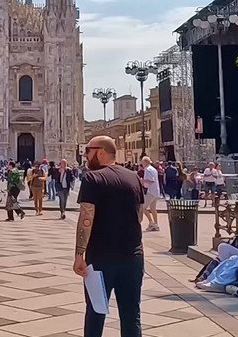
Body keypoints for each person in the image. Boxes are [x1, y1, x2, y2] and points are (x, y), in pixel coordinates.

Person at [73, 136, 145, 337]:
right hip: (133, 258)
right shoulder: (134, 177)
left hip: (101, 259)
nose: (85, 155)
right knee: (131, 315)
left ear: (101, 152)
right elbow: (139, 214)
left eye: (88, 150)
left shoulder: (92, 178)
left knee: (96, 313)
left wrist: (79, 254)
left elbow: (86, 218)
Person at [139, 156, 160, 232]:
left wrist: (142, 180)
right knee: (153, 208)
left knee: (143, 208)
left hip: (151, 191)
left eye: (142, 162)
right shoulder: (153, 169)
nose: (141, 164)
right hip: (156, 191)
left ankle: (151, 222)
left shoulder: (148, 169)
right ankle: (156, 224)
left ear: (145, 162)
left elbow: (151, 180)